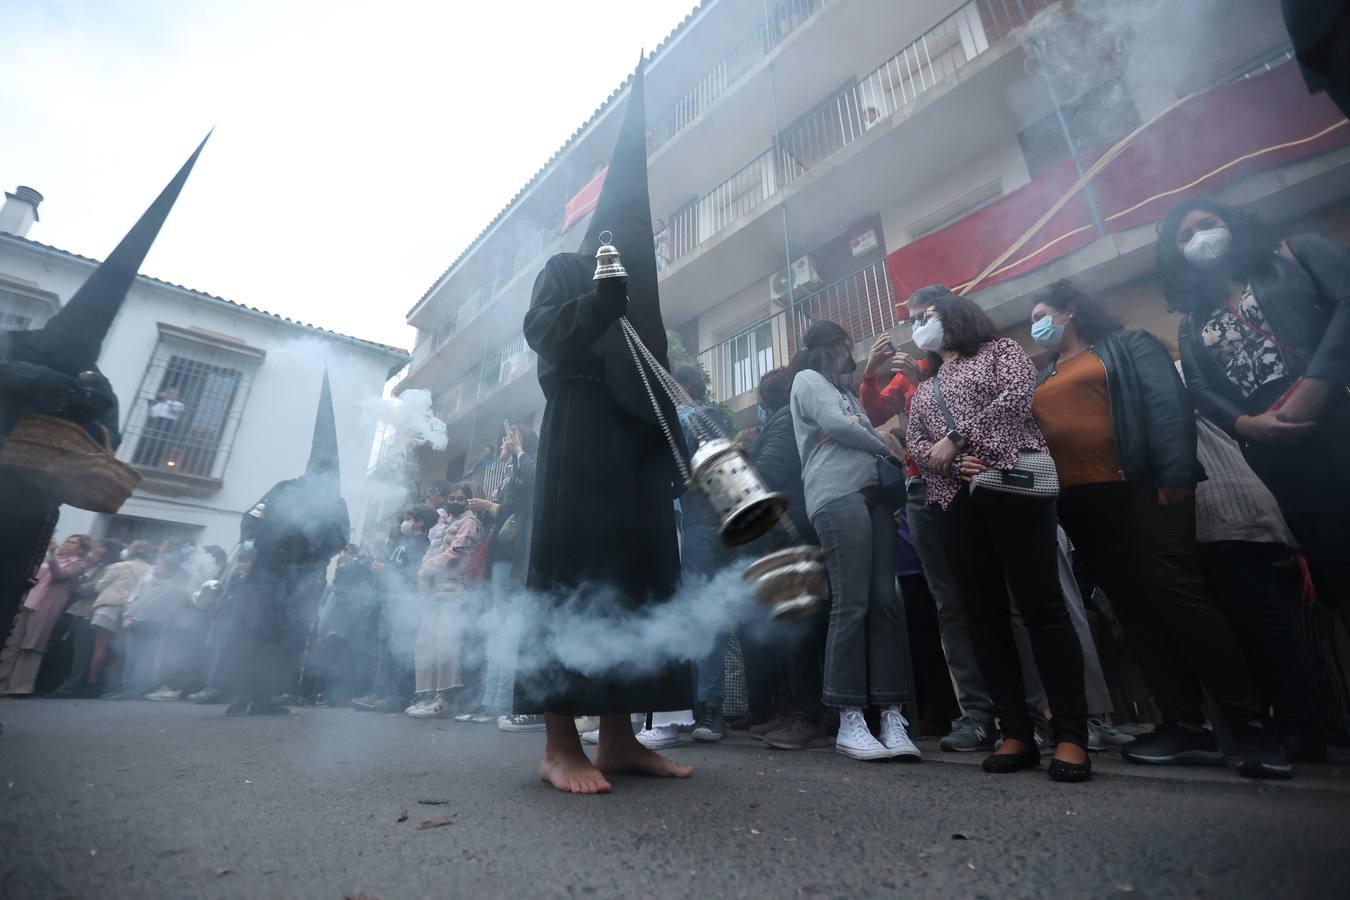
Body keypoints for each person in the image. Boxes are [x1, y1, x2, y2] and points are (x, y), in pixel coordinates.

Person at [516, 58, 697, 795]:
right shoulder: (565, 269)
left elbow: (660, 386)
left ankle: (621, 738)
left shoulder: (645, 301)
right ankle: (561, 744)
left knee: (638, 585)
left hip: (636, 453)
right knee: (574, 581)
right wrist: (600, 300)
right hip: (579, 439)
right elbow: (543, 335)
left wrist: (674, 456)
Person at [1029, 279, 1280, 776]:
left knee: (1176, 590)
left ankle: (1250, 724)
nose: (1037, 326)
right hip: (1081, 504)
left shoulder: (1128, 346)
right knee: (1133, 611)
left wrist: (1174, 471)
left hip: (1142, 487)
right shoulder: (1043, 373)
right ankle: (1186, 727)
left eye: (1042, 313)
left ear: (1070, 311)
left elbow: (1167, 403)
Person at [905, 288, 1090, 782]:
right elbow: (918, 444)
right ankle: (1015, 731)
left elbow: (1017, 395)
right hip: (955, 502)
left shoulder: (998, 351)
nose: (919, 324)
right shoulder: (927, 384)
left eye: (926, 315)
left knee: (1041, 607)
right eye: (914, 319)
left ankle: (1071, 734)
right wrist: (943, 457)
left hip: (1014, 487)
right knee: (982, 617)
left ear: (953, 314)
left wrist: (961, 441)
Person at [1158, 198, 1350, 634]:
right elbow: (1202, 389)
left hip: (1337, 412)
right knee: (1335, 561)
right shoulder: (1193, 322)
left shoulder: (1295, 253)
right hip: (1276, 447)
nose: (1197, 239)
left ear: (1233, 225)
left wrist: (1316, 385)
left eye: (1207, 224)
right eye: (1184, 237)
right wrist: (1246, 425)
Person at [790, 319, 919, 762]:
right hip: (836, 495)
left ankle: (890, 713)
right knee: (852, 602)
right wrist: (881, 444)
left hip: (874, 496)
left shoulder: (843, 392)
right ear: (835, 347)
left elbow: (848, 427)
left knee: (885, 600)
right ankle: (849, 716)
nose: (851, 356)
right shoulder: (807, 380)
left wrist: (860, 433)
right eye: (848, 348)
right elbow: (838, 426)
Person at [746, 367, 829, 750]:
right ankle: (791, 711)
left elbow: (769, 474)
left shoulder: (781, 421)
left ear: (767, 399)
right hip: (788, 533)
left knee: (799, 629)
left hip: (790, 534)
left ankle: (804, 715)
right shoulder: (783, 422)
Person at [467, 425, 541, 732]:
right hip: (500, 559)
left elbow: (528, 498)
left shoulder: (529, 465)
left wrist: (492, 506)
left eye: (510, 438)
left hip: (514, 561)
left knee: (509, 630)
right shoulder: (510, 471)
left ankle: (503, 700)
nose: (503, 443)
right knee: (497, 630)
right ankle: (491, 700)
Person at [673, 364, 731, 744]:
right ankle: (679, 707)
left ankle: (709, 707)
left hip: (696, 524)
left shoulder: (702, 416)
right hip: (677, 526)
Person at [353, 505, 435, 713]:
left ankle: (395, 696)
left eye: (409, 518)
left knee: (397, 650)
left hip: (403, 602)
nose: (404, 523)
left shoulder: (420, 544)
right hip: (390, 601)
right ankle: (378, 692)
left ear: (420, 523)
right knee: (384, 649)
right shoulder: (406, 543)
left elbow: (412, 573)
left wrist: (386, 569)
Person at [409, 482, 482, 719]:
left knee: (446, 646)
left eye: (461, 498)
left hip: (454, 591)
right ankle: (430, 697)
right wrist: (424, 574)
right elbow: (432, 551)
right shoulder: (444, 523)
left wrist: (426, 569)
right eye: (452, 497)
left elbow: (456, 552)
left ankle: (447, 701)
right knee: (426, 645)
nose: (456, 502)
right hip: (434, 592)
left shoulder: (469, 522)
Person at [0, 534, 93, 695]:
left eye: (72, 543)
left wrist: (51, 555)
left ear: (81, 549)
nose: (67, 544)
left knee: (32, 645)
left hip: (46, 607)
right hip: (29, 602)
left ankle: (20, 687)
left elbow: (60, 575)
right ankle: (2, 682)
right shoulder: (53, 559)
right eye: (67, 541)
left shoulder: (78, 564)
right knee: (13, 643)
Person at [53, 538, 123, 697]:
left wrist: (80, 585)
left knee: (81, 652)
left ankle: (70, 687)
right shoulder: (98, 564)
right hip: (80, 611)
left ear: (106, 549)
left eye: (100, 547)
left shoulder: (110, 568)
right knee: (74, 650)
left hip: (88, 612)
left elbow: (92, 588)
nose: (96, 549)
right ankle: (65, 685)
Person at [87, 540, 152, 694]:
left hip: (108, 609)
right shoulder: (150, 570)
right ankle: (110, 686)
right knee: (118, 651)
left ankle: (91, 683)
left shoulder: (119, 566)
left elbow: (99, 586)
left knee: (100, 649)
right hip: (129, 612)